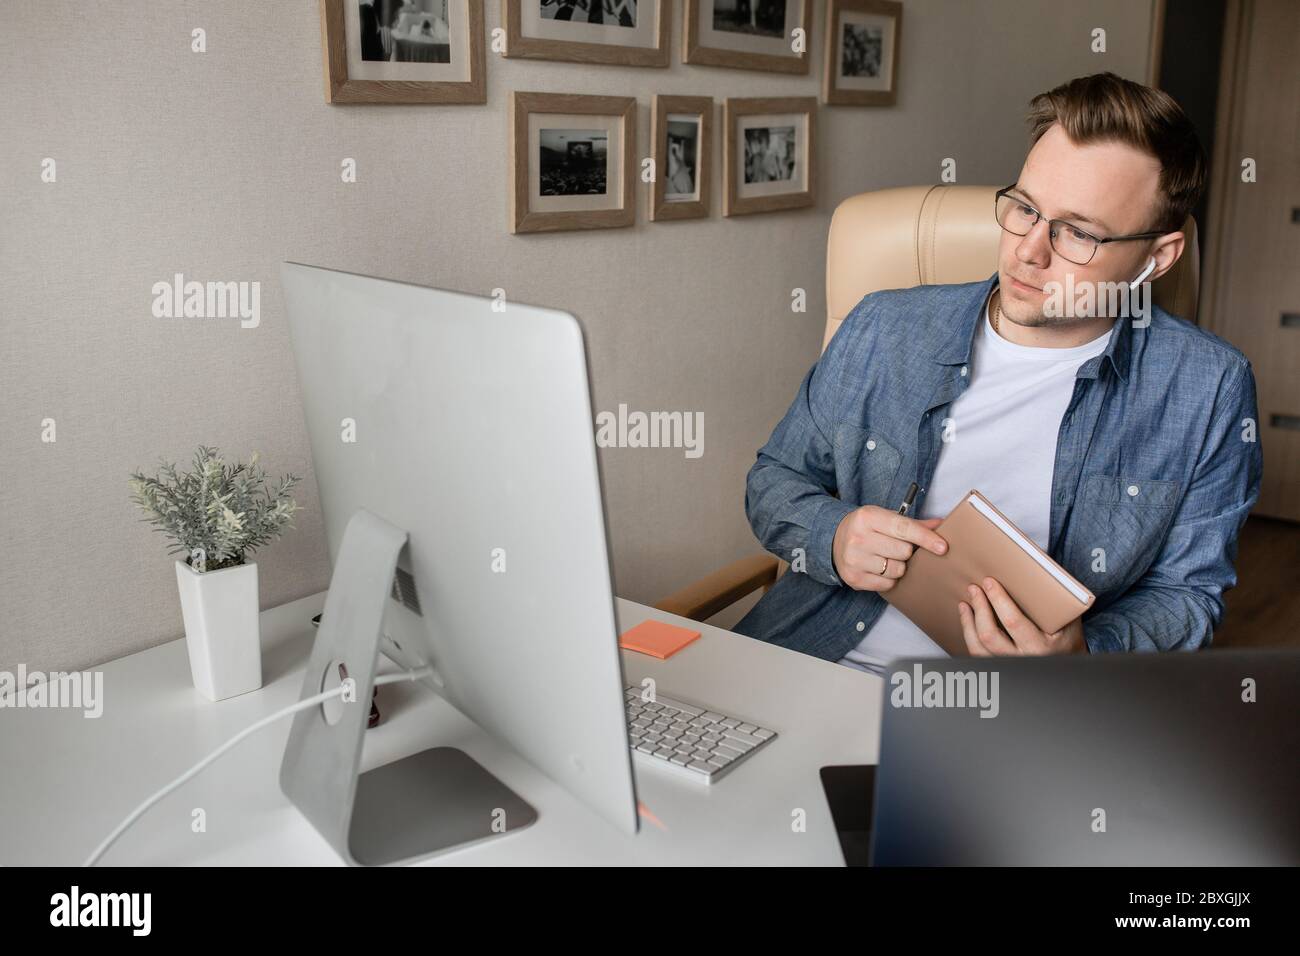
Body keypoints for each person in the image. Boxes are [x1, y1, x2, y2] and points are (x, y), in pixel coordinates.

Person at [733, 73, 1262, 672]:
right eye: (1025, 209)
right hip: (808, 661)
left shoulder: (1209, 388)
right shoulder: (885, 326)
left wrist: (1088, 650)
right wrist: (832, 535)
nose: (1028, 251)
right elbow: (773, 479)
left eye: (1078, 233)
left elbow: (1188, 596)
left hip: (1015, 712)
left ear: (1157, 257)